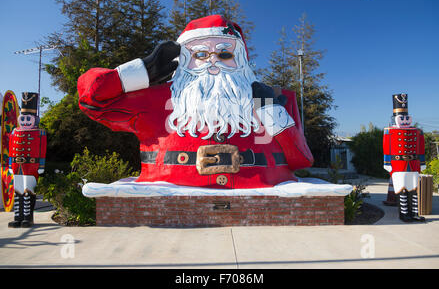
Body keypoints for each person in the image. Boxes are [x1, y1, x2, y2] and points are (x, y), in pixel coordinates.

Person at [78, 15, 313, 189]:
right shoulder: (153, 99)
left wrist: (271, 110)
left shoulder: (277, 99)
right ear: (184, 60)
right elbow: (92, 99)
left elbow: (301, 161)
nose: (212, 61)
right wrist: (142, 72)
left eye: (224, 54)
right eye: (200, 54)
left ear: (241, 60)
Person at [383, 93, 426, 222]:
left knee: (414, 189)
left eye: (407, 117)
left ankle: (414, 213)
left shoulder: (417, 131)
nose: (405, 120)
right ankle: (403, 213)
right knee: (401, 189)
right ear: (395, 118)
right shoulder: (389, 131)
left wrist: (422, 162)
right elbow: (387, 147)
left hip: (413, 164)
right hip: (398, 164)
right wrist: (386, 162)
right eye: (402, 117)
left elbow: (421, 147)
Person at [8, 92, 46, 228]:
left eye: (28, 118)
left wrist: (41, 165)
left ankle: (28, 218)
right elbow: (10, 148)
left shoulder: (39, 133)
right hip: (17, 165)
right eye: (22, 118)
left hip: (31, 165)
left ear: (35, 119)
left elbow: (42, 150)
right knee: (17, 192)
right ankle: (17, 217)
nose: (24, 121)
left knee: (28, 192)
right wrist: (9, 165)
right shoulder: (14, 132)